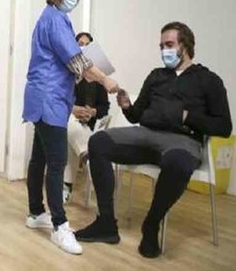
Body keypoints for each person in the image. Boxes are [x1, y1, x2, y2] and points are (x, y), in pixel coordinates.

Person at [75, 21, 232, 259]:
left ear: (185, 46)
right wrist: (127, 106)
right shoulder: (156, 76)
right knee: (98, 141)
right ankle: (106, 223)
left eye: (169, 45)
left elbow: (224, 126)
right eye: (161, 46)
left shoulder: (209, 80)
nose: (164, 51)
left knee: (178, 162)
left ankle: (151, 224)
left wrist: (187, 117)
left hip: (182, 141)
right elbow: (137, 115)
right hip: (146, 136)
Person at [23, 0, 119, 255]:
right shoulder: (54, 19)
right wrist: (105, 80)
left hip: (47, 98)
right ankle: (59, 226)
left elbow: (69, 62)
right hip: (49, 99)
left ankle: (35, 212)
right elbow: (77, 62)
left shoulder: (55, 18)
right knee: (56, 163)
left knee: (39, 158)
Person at [62, 32, 110, 203]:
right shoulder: (67, 74)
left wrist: (92, 112)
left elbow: (104, 107)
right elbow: (59, 100)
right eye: (80, 44)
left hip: (88, 125)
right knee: (69, 123)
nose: (83, 47)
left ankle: (66, 186)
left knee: (69, 133)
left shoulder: (97, 77)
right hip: (68, 120)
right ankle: (89, 155)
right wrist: (73, 109)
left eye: (87, 45)